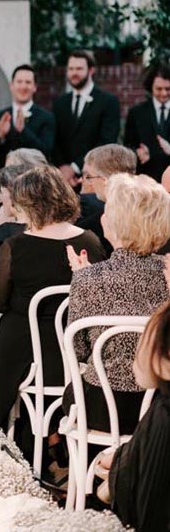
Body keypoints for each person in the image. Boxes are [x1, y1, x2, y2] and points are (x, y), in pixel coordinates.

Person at [0, 166, 105, 434]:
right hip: (74, 353)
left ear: (29, 205)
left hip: (24, 355)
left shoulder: (15, 246)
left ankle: (1, 430)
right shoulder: (91, 241)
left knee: (1, 339)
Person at [64, 174, 170, 434]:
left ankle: (94, 468)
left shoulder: (89, 278)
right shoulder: (168, 274)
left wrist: (85, 281)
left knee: (71, 395)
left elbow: (77, 350)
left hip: (105, 407)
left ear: (115, 223)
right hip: (159, 405)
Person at [102, 300, 170, 532]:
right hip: (144, 405)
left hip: (107, 403)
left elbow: (80, 349)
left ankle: (115, 469)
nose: (163, 269)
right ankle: (117, 466)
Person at [53, 50, 120, 187]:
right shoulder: (60, 103)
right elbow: (54, 139)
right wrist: (62, 168)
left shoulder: (108, 101)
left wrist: (75, 168)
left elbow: (106, 141)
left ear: (91, 70)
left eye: (79, 68)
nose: (74, 73)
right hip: (64, 180)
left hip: (94, 178)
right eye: (71, 69)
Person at [0, 64, 55, 170]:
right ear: (11, 85)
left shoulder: (46, 117)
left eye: (28, 82)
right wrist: (0, 135)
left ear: (35, 87)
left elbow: (46, 152)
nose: (23, 87)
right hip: (4, 181)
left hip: (34, 181)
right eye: (19, 82)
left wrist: (23, 131)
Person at [76, 144, 137, 256]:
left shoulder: (94, 226)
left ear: (105, 180)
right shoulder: (152, 211)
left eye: (89, 176)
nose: (85, 181)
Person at [124, 63, 170, 183]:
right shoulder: (136, 113)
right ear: (151, 87)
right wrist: (137, 153)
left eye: (168, 89)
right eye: (159, 89)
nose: (164, 93)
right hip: (146, 182)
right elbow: (127, 146)